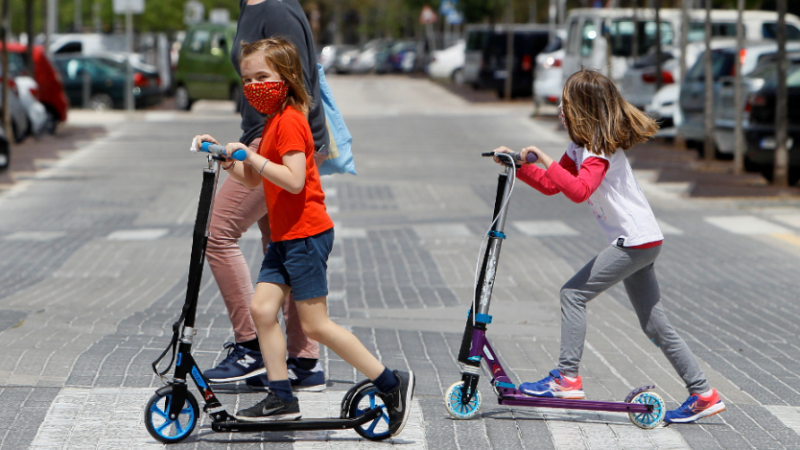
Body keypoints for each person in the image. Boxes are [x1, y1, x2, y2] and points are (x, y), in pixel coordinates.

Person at [196, 38, 415, 430]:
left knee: (315, 325)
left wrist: (254, 156)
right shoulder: (274, 119)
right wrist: (228, 160)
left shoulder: (293, 120)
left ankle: (390, 381)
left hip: (307, 236)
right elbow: (253, 180)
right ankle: (281, 397)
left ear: (288, 77)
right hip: (285, 238)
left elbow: (294, 181)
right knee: (262, 310)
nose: (253, 86)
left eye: (262, 76)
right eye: (247, 80)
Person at [493, 69, 725, 424]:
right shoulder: (581, 146)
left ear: (582, 109)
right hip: (643, 240)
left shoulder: (599, 150)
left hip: (633, 242)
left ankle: (567, 378)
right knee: (655, 325)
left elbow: (579, 191)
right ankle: (703, 393)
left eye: (565, 104)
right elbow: (555, 185)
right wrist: (517, 165)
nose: (560, 110)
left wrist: (544, 157)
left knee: (572, 294)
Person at [202, 0, 329, 392]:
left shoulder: (276, 9)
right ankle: (302, 362)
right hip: (259, 143)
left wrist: (262, 153)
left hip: (274, 144)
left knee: (217, 233)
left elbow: (294, 89)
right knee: (282, 243)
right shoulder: (251, 5)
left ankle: (251, 347)